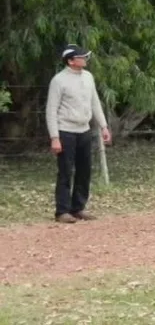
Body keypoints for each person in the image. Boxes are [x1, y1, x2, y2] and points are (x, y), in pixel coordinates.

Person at [44, 45, 112, 223]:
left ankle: (78, 207)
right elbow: (51, 110)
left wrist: (104, 126)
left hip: (84, 130)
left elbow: (95, 103)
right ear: (71, 61)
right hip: (65, 131)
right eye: (82, 57)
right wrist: (54, 138)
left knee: (84, 170)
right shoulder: (59, 81)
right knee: (66, 171)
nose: (85, 59)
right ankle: (62, 211)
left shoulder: (88, 77)